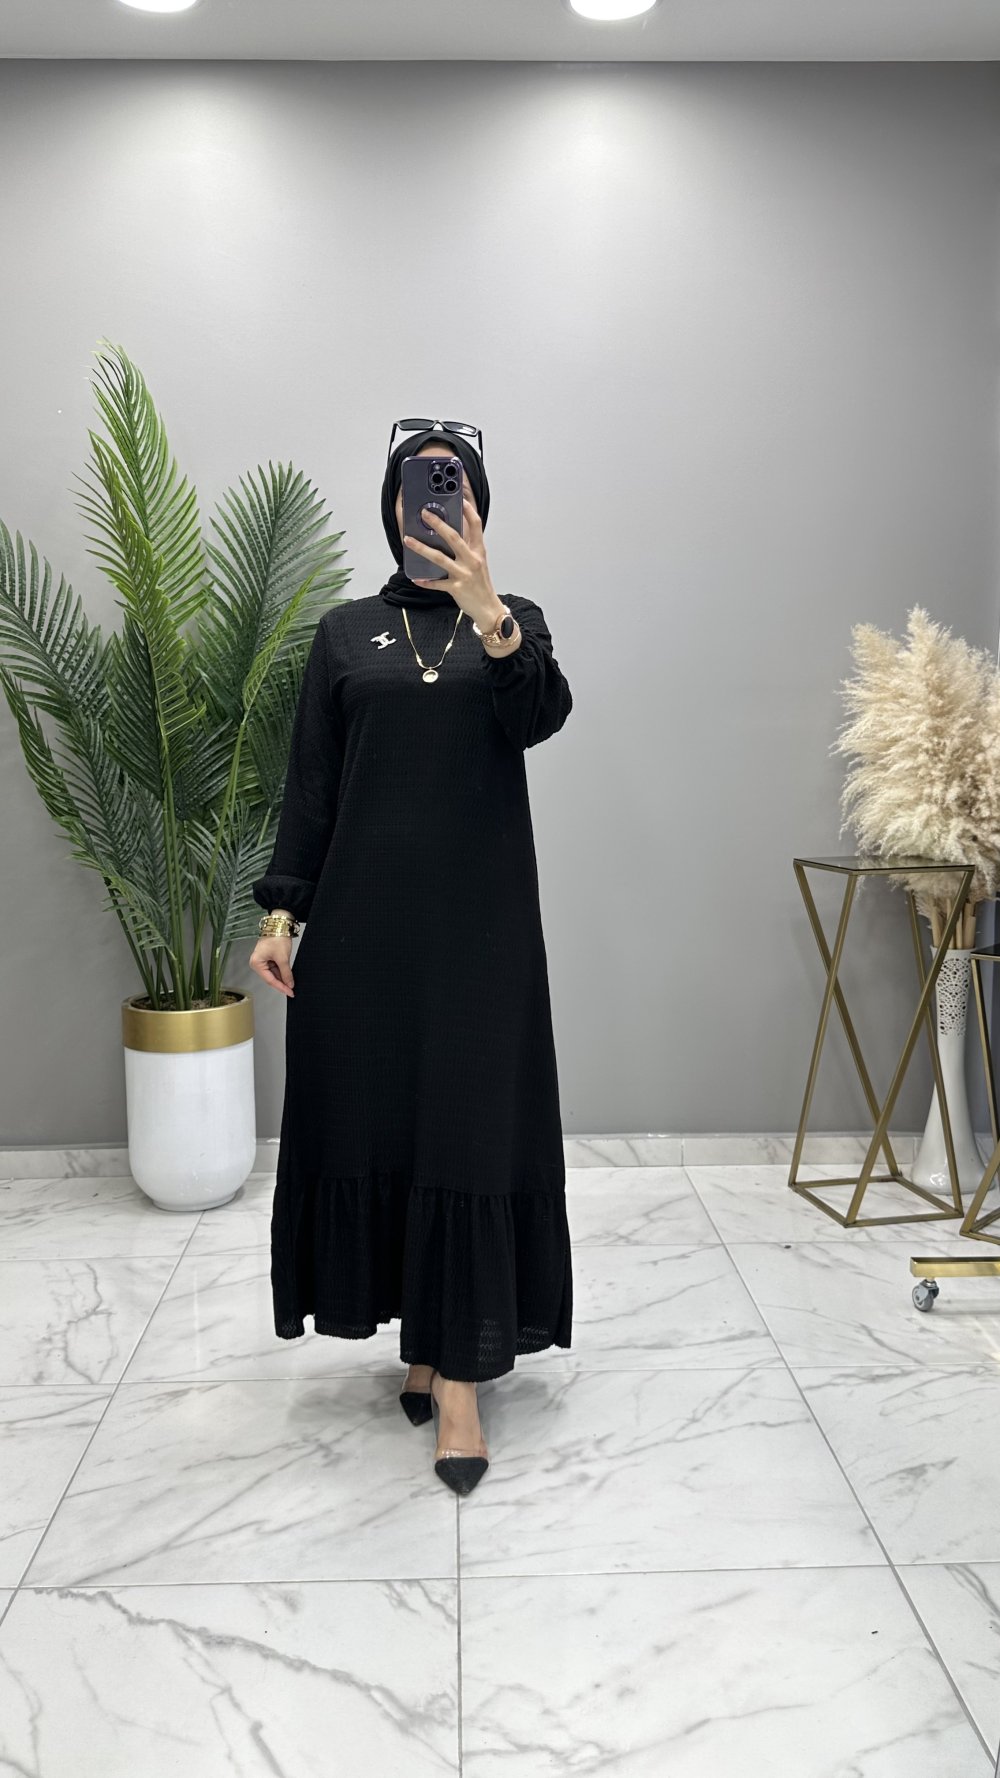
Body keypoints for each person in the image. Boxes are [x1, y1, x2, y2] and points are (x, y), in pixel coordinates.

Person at [249, 420, 573, 1495]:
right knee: (385, 1122)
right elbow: (310, 785)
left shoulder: (514, 622)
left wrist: (489, 611)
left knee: (470, 1133)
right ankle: (423, 1346)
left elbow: (541, 717)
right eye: (416, 488)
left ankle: (462, 1381)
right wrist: (281, 914)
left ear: (477, 505)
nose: (432, 505)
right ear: (391, 508)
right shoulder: (343, 634)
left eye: (452, 487)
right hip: (365, 933)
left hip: (481, 936)